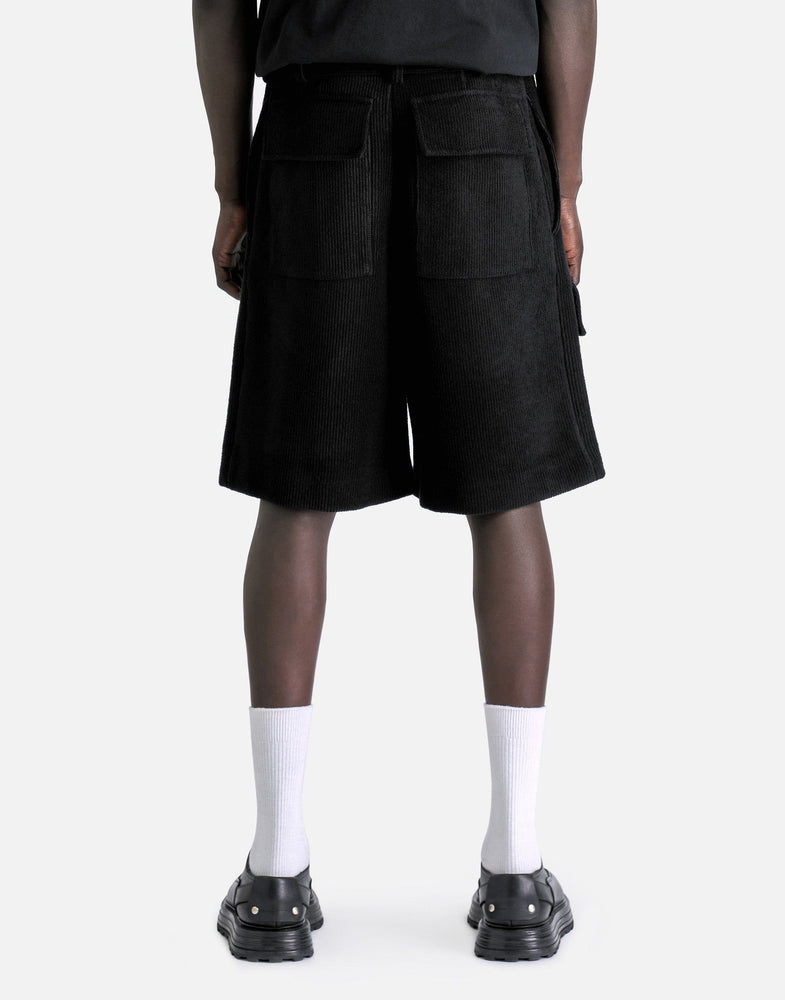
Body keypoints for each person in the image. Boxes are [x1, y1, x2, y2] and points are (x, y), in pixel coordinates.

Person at [192, 0, 605, 963]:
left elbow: (218, 4)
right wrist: (565, 183)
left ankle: (276, 877)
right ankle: (515, 875)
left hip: (315, 130)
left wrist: (231, 187)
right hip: (487, 131)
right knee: (505, 492)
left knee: (297, 494)